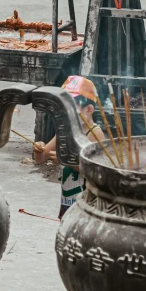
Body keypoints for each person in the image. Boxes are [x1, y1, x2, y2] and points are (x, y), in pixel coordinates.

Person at [33, 75, 105, 220]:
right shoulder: (65, 129)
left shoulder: (95, 133)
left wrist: (66, 162)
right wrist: (38, 149)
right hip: (68, 198)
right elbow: (41, 159)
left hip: (86, 201)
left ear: (88, 109)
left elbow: (98, 173)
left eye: (71, 107)